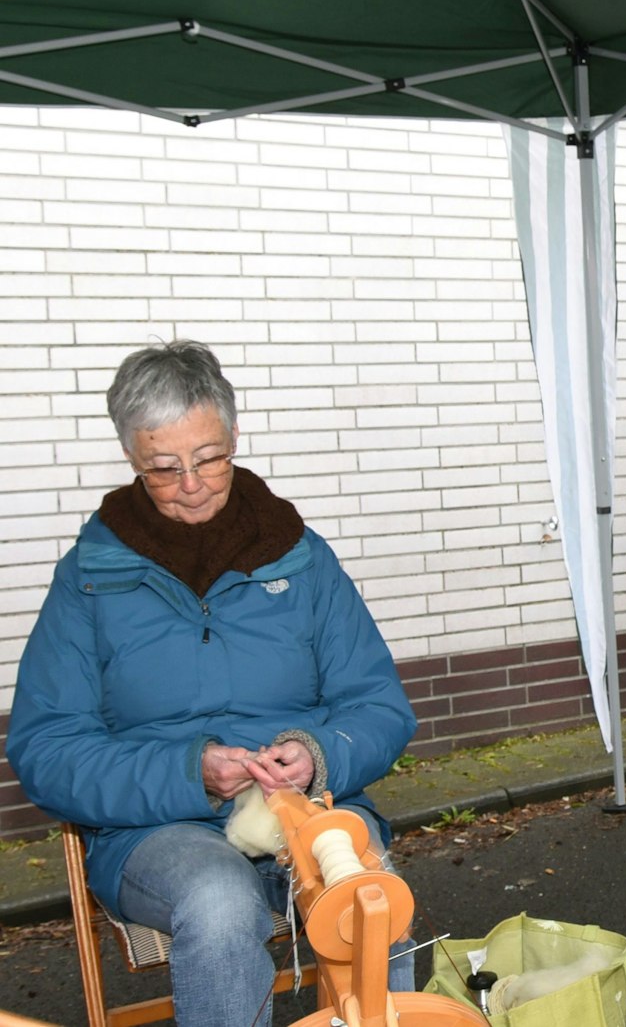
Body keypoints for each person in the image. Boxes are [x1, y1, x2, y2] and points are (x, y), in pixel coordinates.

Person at [7, 340, 418, 1025]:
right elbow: (47, 749)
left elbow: (378, 706)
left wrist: (315, 755)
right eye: (164, 469)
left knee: (371, 899)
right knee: (220, 903)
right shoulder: (89, 579)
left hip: (308, 813)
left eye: (208, 458)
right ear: (132, 460)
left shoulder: (303, 560)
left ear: (233, 434)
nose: (191, 483)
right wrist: (188, 772)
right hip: (158, 828)